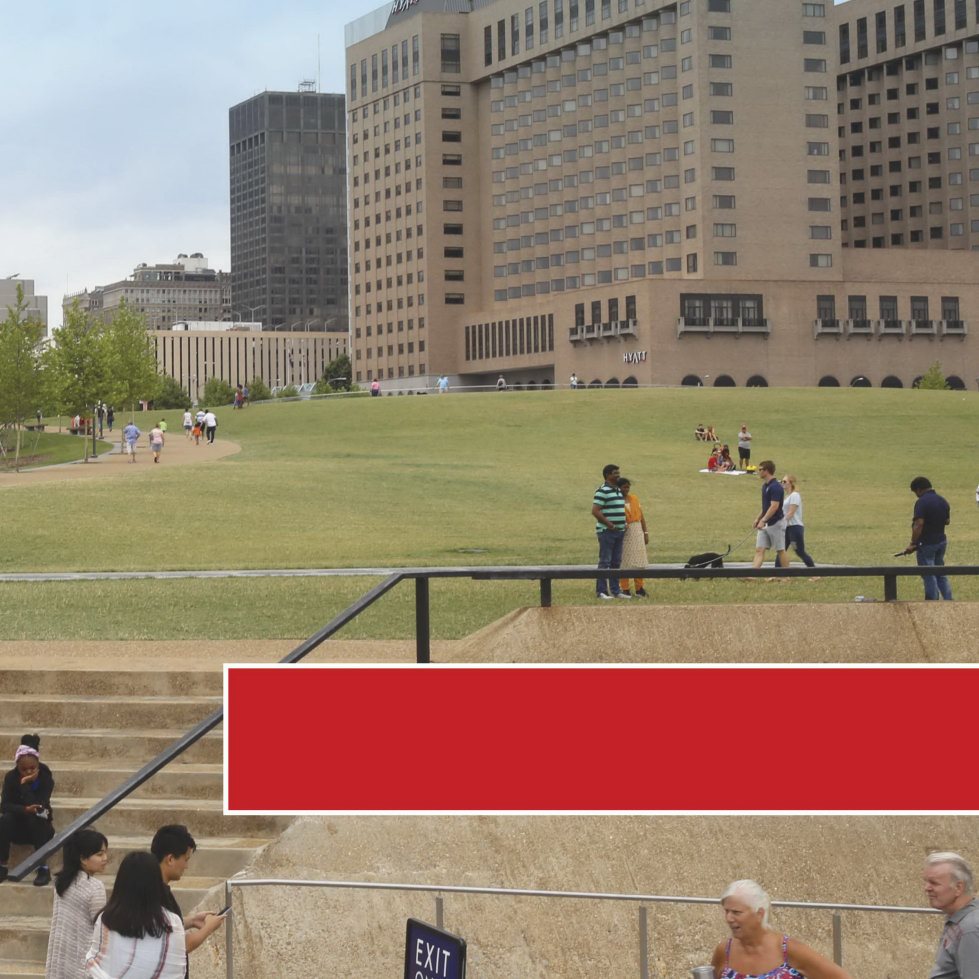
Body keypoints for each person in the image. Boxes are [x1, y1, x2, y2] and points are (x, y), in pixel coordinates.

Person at [711, 879, 852, 979]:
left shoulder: (788, 950)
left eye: (736, 912)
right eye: (726, 911)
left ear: (759, 914)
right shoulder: (724, 951)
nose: (728, 918)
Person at [84, 851, 190, 979]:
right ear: (156, 881)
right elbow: (175, 971)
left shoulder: (107, 919)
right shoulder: (172, 922)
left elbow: (95, 965)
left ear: (121, 881)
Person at [152, 823, 226, 972]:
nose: (186, 866)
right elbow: (180, 945)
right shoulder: (154, 893)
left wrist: (191, 921)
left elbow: (162, 926)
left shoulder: (157, 888)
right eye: (185, 859)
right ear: (170, 859)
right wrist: (209, 928)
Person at [45, 827, 109, 979]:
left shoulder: (62, 882)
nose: (105, 858)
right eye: (100, 854)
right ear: (82, 858)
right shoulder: (94, 887)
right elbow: (101, 930)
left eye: (105, 852)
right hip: (83, 965)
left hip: (61, 962)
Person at [0, 734, 54, 886]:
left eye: (32, 768)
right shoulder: (11, 777)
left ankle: (42, 866)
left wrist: (25, 785)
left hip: (40, 828)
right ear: (17, 766)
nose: (29, 772)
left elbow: (40, 805)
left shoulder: (45, 777)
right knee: (5, 819)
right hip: (17, 828)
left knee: (36, 817)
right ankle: (2, 865)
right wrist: (24, 809)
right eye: (24, 769)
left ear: (38, 763)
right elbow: (4, 806)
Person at [923, 851, 979, 979]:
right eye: (926, 881)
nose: (927, 888)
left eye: (934, 883)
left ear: (958, 887)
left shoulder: (970, 929)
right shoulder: (959, 920)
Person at [900, 476, 952, 600]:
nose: (916, 495)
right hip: (941, 541)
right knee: (940, 573)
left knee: (929, 574)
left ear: (918, 489)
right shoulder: (942, 500)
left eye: (915, 492)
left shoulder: (922, 502)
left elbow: (919, 524)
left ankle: (932, 603)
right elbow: (947, 521)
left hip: (926, 543)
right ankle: (949, 600)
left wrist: (913, 543)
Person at [591, 463, 629, 599]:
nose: (618, 475)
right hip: (607, 531)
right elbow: (595, 511)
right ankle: (601, 591)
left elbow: (619, 508)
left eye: (618, 472)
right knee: (605, 562)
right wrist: (609, 524)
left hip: (619, 531)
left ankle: (616, 590)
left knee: (616, 562)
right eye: (615, 473)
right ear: (607, 475)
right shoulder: (602, 491)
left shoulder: (618, 490)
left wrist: (623, 522)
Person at [752, 461, 789, 569]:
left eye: (760, 469)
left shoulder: (775, 487)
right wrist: (758, 518)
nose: (758, 472)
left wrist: (763, 520)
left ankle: (786, 576)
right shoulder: (765, 486)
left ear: (766, 471)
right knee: (759, 549)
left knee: (780, 550)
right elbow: (766, 507)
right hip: (765, 523)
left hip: (776, 523)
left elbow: (774, 506)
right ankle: (752, 574)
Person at [617, 477, 650, 597]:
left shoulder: (634, 499)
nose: (626, 489)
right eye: (624, 487)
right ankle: (625, 588)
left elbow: (642, 517)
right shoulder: (616, 501)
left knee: (639, 561)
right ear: (618, 488)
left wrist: (645, 533)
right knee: (624, 561)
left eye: (628, 487)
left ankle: (639, 588)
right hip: (624, 533)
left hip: (637, 531)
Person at [780, 473, 816, 568]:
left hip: (795, 528)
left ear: (791, 483)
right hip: (787, 528)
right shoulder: (787, 497)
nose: (782, 483)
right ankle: (777, 574)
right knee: (781, 550)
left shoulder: (795, 495)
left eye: (784, 481)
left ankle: (815, 574)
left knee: (799, 551)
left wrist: (781, 522)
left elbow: (791, 513)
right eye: (781, 481)